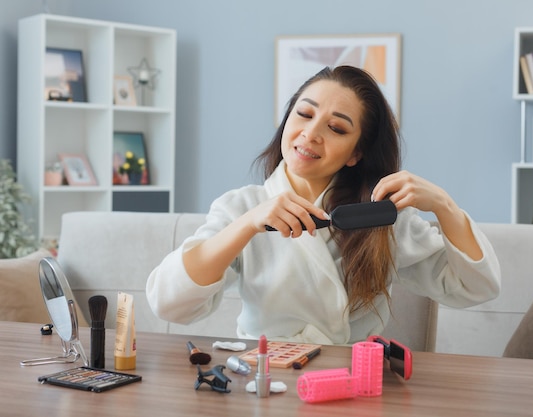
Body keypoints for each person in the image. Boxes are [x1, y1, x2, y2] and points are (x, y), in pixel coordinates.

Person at [146, 65, 501, 345]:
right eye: (304, 114)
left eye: (336, 128)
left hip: (352, 381)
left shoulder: (379, 216)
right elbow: (169, 303)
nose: (311, 133)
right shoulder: (240, 207)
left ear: (356, 153)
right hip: (264, 377)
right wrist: (247, 224)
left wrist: (444, 206)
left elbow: (475, 287)